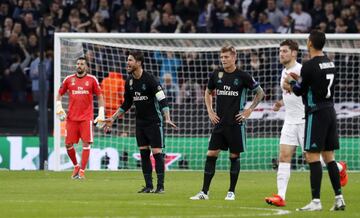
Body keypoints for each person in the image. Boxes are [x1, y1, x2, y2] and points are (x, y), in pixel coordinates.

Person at [265, 40, 348, 207]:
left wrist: (292, 85)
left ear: (294, 53)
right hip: (289, 120)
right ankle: (281, 196)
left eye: (285, 51)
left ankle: (339, 167)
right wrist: (281, 102)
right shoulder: (284, 71)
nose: (281, 54)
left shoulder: (301, 70)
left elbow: (305, 91)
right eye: (280, 51)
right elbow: (292, 94)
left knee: (311, 158)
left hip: (305, 119)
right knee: (284, 156)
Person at [190, 45, 265, 201]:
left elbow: (260, 92)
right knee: (211, 154)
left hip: (236, 123)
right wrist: (210, 111)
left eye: (226, 57)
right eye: (222, 57)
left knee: (234, 156)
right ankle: (204, 192)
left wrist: (249, 110)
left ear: (234, 57)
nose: (223, 60)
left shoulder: (243, 76)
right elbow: (208, 92)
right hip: (220, 123)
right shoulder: (216, 74)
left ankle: (231, 192)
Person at [104, 50, 177, 194]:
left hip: (154, 122)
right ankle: (149, 186)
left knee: (157, 153)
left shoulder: (150, 79)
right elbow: (126, 104)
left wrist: (167, 117)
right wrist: (112, 118)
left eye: (130, 60)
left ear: (138, 62)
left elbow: (162, 99)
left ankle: (160, 187)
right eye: (128, 60)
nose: (127, 63)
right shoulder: (129, 82)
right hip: (140, 123)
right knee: (144, 154)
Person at [56, 57, 105, 179]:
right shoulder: (68, 79)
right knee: (68, 144)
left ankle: (82, 171)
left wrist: (101, 113)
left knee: (86, 143)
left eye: (82, 64)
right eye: (78, 63)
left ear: (86, 67)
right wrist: (58, 107)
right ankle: (76, 166)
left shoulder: (92, 80)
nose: (79, 66)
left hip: (86, 118)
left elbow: (99, 96)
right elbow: (59, 94)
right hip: (71, 118)